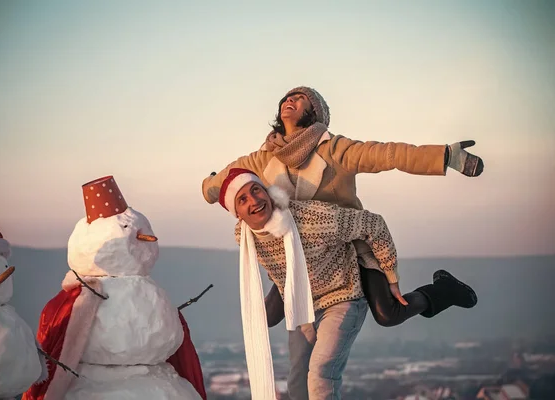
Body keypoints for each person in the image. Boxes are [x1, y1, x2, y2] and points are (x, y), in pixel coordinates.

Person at [201, 86, 485, 328]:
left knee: (388, 314)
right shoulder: (264, 157)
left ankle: (443, 290)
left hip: (349, 244)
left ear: (315, 112)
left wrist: (446, 156)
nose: (290, 100)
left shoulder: (335, 150)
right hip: (301, 252)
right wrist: (209, 188)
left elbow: (389, 154)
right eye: (287, 98)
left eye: (300, 98)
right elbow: (227, 179)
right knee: (266, 317)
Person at [218, 168, 476, 400]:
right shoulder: (245, 238)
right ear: (237, 214)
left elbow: (373, 224)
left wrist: (390, 274)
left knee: (321, 374)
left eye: (256, 190)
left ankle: (442, 291)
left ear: (267, 191)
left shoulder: (311, 220)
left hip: (342, 296)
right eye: (243, 199)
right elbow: (278, 268)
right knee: (297, 384)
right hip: (303, 304)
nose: (254, 200)